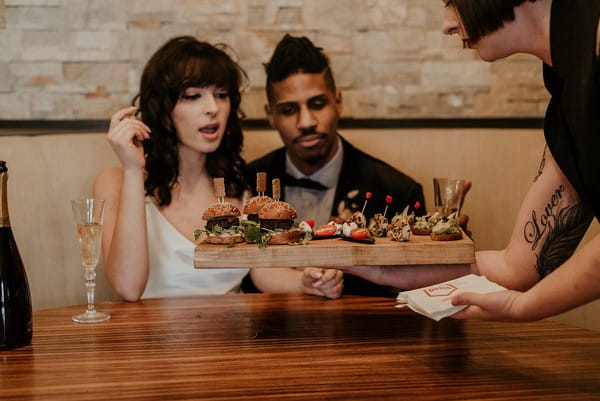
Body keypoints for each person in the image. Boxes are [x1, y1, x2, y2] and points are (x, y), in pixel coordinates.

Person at [346, 0, 600, 322]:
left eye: (452, 1)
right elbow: (517, 266)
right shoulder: (567, 96)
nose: (447, 25)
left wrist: (524, 306)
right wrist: (381, 267)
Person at [95, 36, 341, 301]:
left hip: (234, 336)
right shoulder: (116, 182)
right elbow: (128, 288)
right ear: (163, 108)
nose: (213, 108)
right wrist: (133, 170)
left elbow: (263, 272)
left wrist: (307, 281)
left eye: (221, 95)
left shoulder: (239, 187)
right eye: (193, 96)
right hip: (154, 337)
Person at [245, 34, 427, 298]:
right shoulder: (247, 185)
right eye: (288, 110)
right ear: (270, 115)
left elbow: (417, 291)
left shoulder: (397, 192)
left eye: (317, 104)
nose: (306, 121)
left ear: (338, 101)